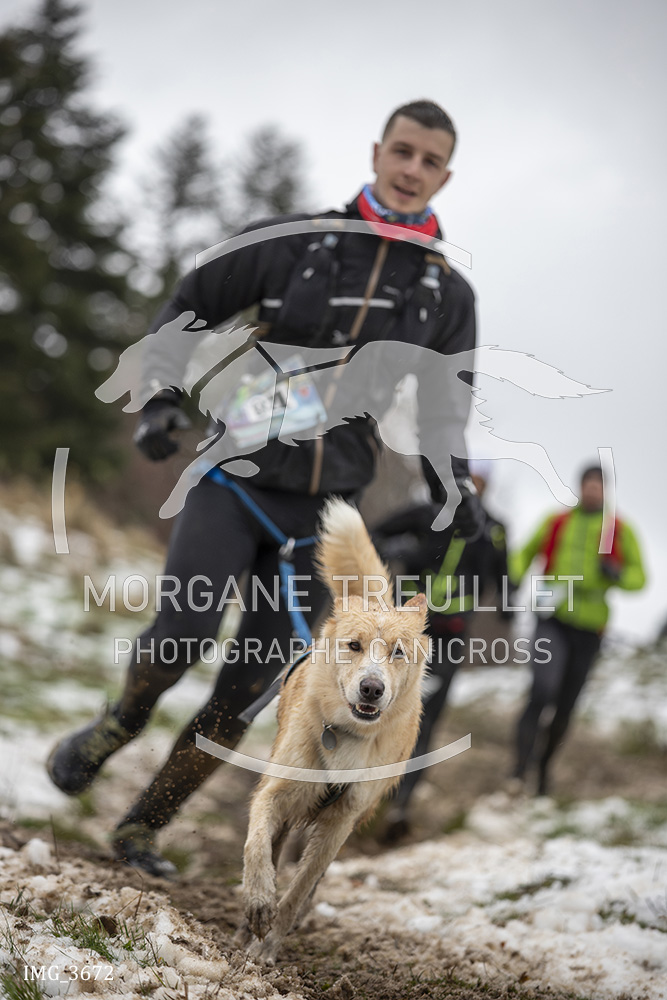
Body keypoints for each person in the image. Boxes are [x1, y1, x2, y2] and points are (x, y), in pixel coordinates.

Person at [47, 99, 483, 876]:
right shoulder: (295, 243)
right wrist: (158, 399)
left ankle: (142, 827)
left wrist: (454, 493)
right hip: (236, 477)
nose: (412, 169)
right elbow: (188, 304)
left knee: (248, 690)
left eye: (429, 161)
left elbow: (445, 412)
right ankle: (122, 720)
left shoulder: (445, 297)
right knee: (180, 636)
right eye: (402, 151)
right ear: (377, 152)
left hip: (325, 515)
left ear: (443, 177)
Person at [372, 460, 513, 839]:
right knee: (377, 703)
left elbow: (504, 574)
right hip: (403, 630)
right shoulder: (426, 512)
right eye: (469, 478)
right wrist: (396, 547)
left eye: (481, 480)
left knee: (425, 716)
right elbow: (373, 534)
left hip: (450, 636)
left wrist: (508, 602)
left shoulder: (493, 528)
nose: (474, 485)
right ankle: (351, 787)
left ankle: (399, 804)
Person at [510, 464, 646, 796]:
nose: (592, 491)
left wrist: (617, 574)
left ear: (606, 491)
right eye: (588, 485)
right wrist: (512, 580)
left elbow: (639, 577)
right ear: (580, 487)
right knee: (542, 689)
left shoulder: (619, 530)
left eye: (598, 486)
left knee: (565, 706)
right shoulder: (556, 522)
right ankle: (518, 770)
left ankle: (543, 768)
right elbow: (524, 554)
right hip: (551, 618)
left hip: (590, 629)